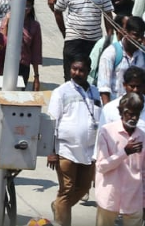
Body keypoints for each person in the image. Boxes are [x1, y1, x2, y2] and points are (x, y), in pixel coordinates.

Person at [47, 55, 102, 226]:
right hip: (66, 150)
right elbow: (51, 122)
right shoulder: (61, 92)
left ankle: (58, 207)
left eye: (81, 70)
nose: (77, 73)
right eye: (74, 69)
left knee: (84, 188)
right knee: (67, 190)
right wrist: (51, 151)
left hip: (89, 151)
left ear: (88, 71)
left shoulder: (95, 91)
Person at [102, 66, 145, 190]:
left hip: (141, 174)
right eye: (132, 86)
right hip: (115, 173)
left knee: (140, 208)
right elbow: (101, 144)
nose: (136, 89)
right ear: (124, 85)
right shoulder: (110, 109)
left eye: (139, 86)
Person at [54, 0, 116, 81]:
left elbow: (107, 13)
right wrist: (65, 33)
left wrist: (109, 36)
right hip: (74, 40)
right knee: (71, 77)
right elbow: (58, 11)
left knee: (91, 77)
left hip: (94, 40)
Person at [94, 92, 145, 226]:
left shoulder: (143, 136)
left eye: (137, 114)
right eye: (129, 114)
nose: (133, 118)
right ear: (121, 113)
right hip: (109, 198)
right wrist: (124, 152)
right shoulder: (106, 131)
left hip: (133, 200)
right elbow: (101, 166)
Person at [99, 17, 145, 103]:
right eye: (136, 35)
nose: (140, 40)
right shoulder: (111, 53)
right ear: (125, 32)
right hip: (116, 106)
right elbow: (104, 88)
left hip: (136, 107)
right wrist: (107, 112)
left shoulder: (144, 55)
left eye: (142, 36)